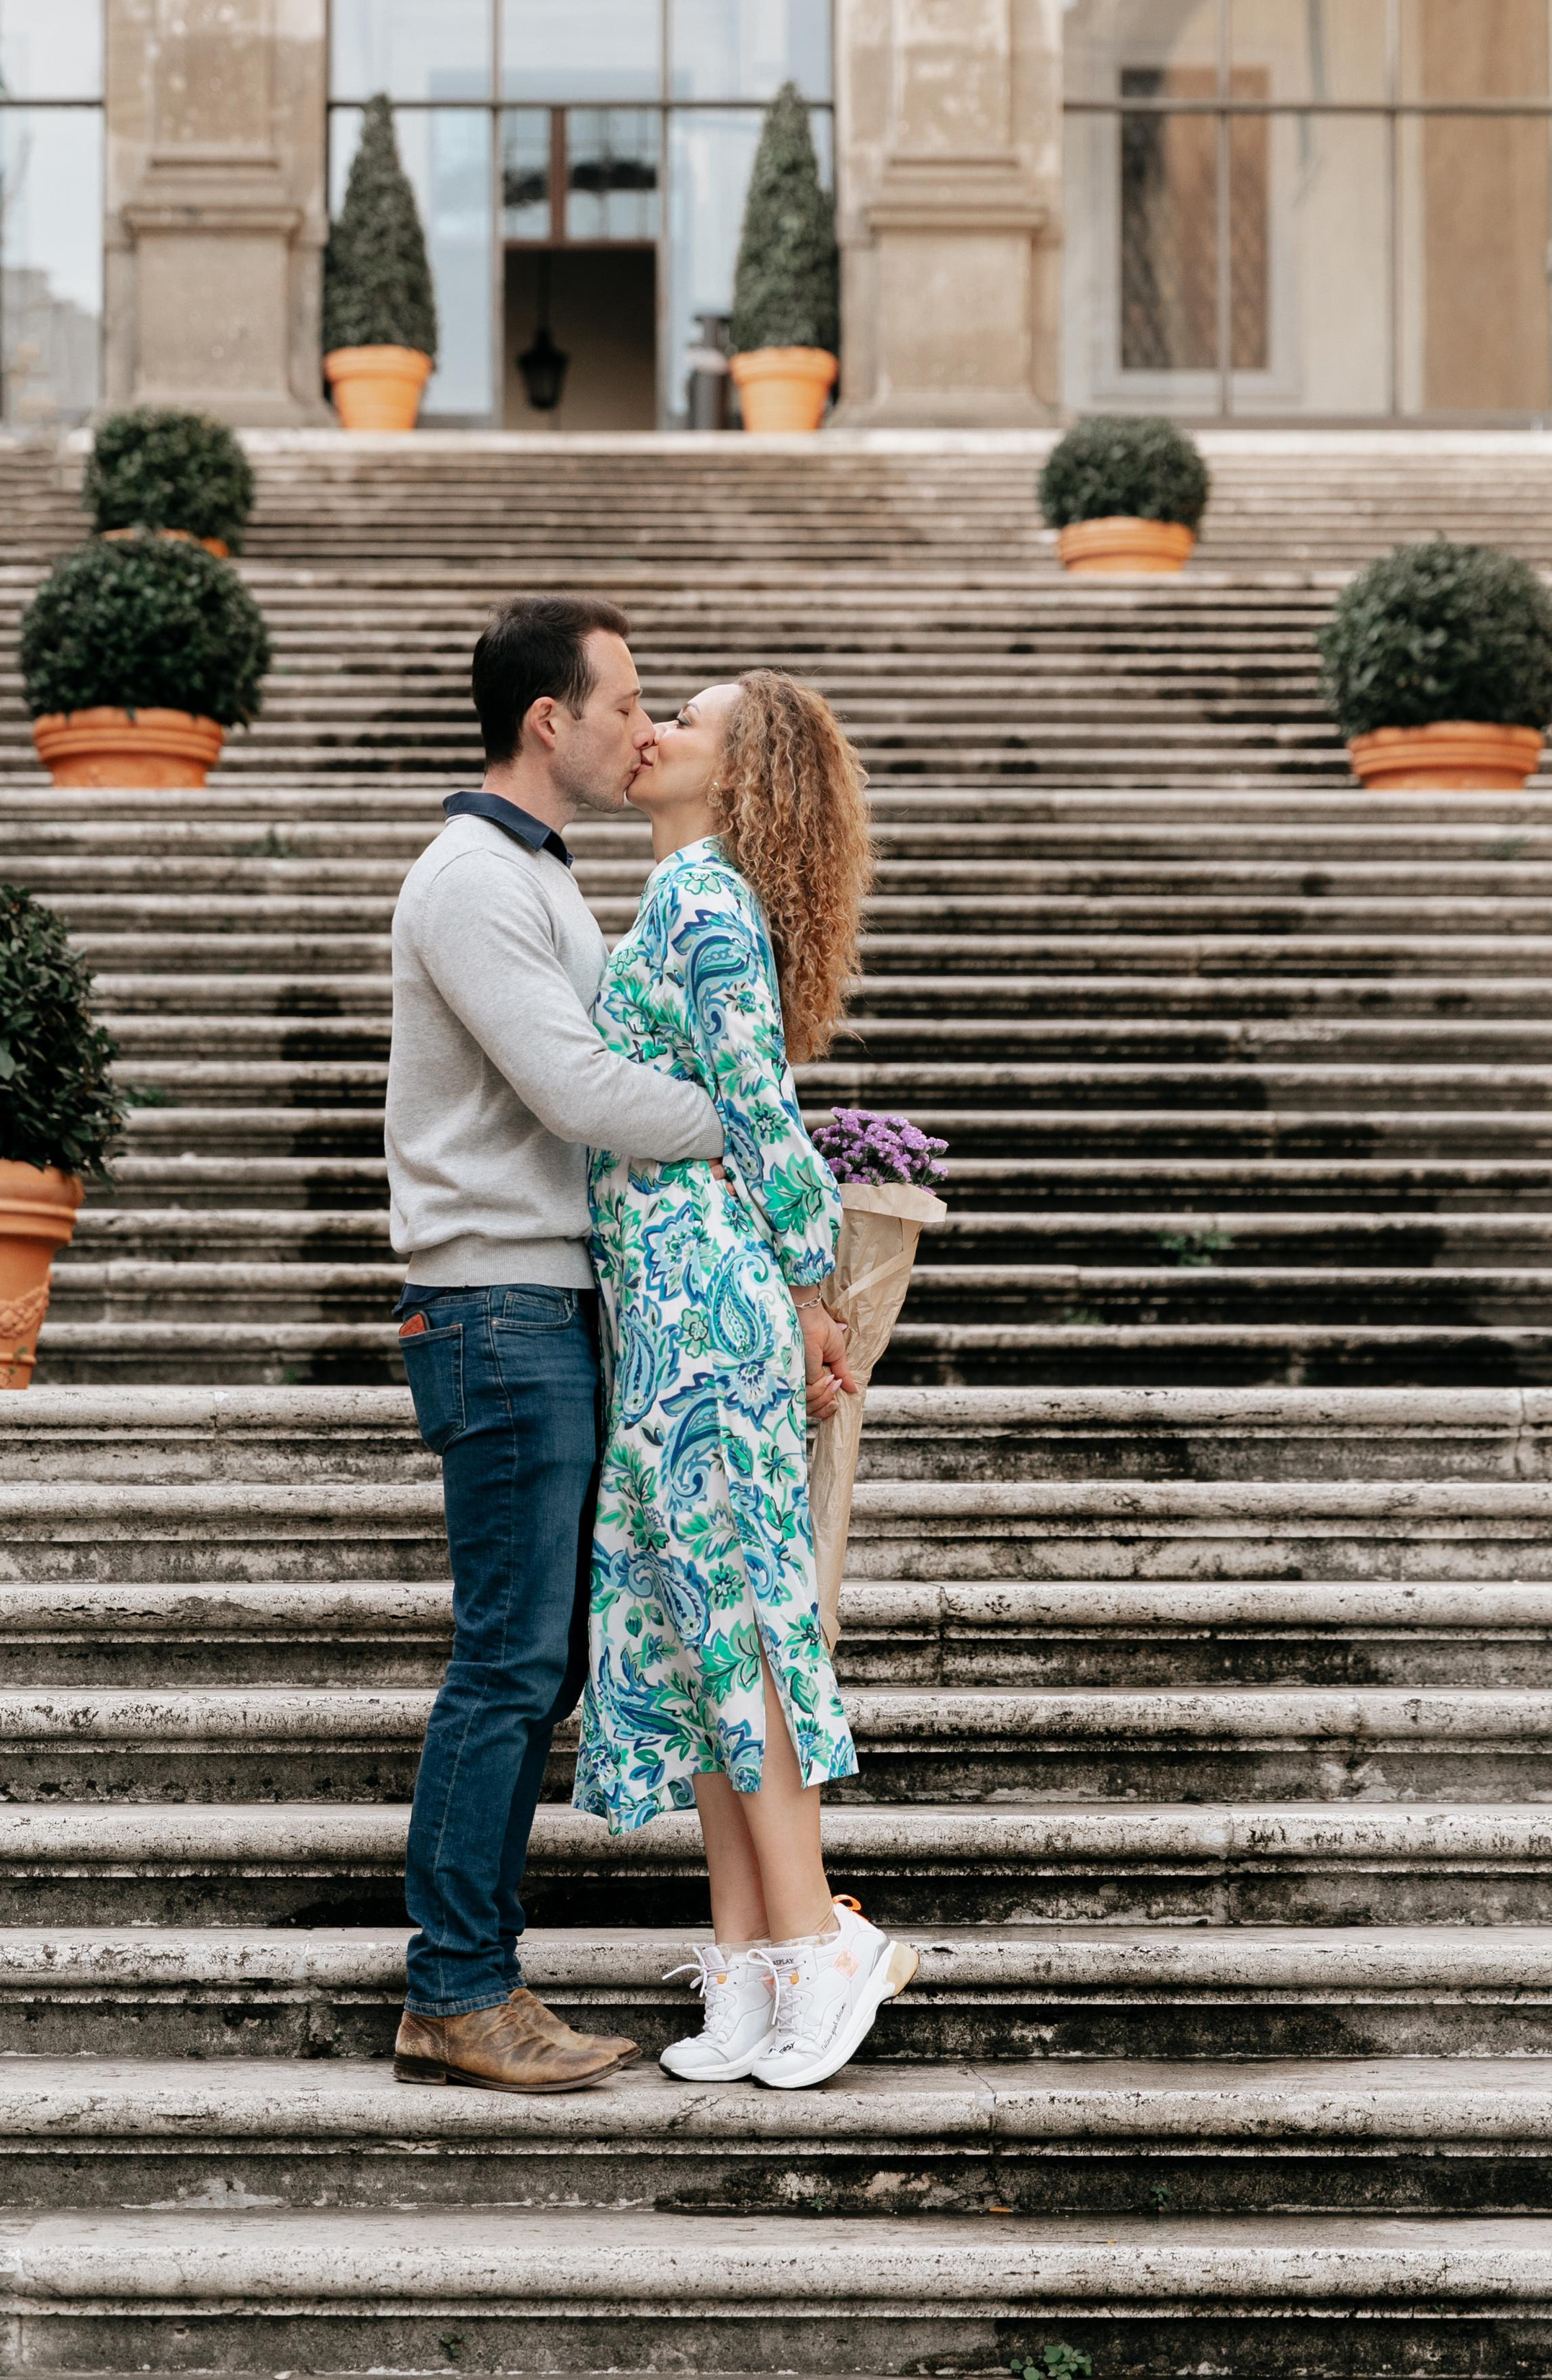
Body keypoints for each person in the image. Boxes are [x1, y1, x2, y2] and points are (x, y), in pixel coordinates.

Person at [385, 595, 729, 2095]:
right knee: (512, 1657)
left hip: (540, 1303)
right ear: (550, 719)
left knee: (541, 1657)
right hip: (494, 1308)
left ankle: (467, 1976)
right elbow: (578, 1090)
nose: (642, 728)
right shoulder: (471, 879)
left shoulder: (533, 871)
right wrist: (749, 1123)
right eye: (624, 703)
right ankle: (457, 1988)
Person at [574, 669, 912, 2090]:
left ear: (742, 770)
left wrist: (812, 1290)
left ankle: (819, 1941)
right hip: (664, 1303)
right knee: (693, 1622)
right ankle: (744, 1964)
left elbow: (760, 1106)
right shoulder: (683, 895)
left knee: (742, 1625)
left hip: (706, 1302)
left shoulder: (706, 897)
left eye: (687, 723)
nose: (651, 731)